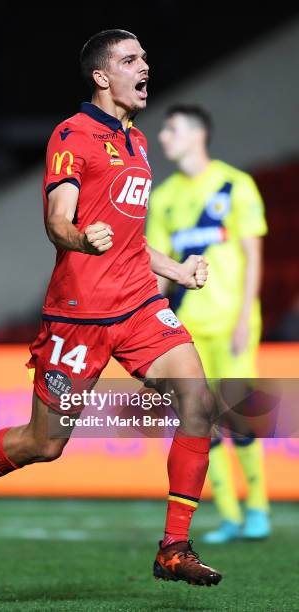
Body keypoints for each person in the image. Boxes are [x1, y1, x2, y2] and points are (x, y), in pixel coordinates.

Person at [0, 31, 222, 586]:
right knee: (45, 444)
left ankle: (173, 547)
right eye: (132, 59)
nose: (146, 66)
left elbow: (130, 240)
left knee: (199, 400)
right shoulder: (72, 134)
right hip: (78, 318)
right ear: (102, 76)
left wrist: (176, 270)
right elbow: (56, 220)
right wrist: (82, 239)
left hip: (136, 305)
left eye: (146, 58)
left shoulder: (135, 143)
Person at [147, 104, 271, 543]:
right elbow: (160, 272)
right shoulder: (162, 199)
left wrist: (243, 316)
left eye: (171, 129)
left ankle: (257, 509)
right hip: (188, 329)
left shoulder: (235, 185)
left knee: (238, 417)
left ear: (197, 135)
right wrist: (151, 329)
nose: (163, 137)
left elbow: (254, 256)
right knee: (199, 419)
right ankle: (230, 515)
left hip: (233, 322)